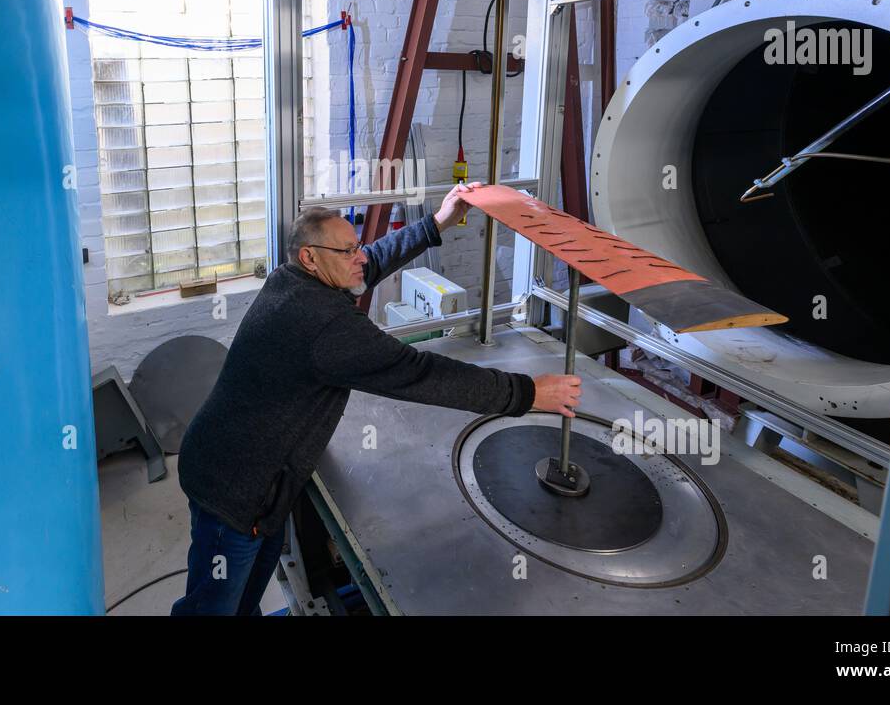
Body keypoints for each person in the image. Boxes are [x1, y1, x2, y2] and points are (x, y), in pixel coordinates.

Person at [170, 183, 582, 616]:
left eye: (357, 246)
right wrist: (528, 393)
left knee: (244, 598)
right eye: (347, 252)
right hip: (234, 491)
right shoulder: (324, 326)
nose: (360, 258)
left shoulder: (292, 279)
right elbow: (420, 373)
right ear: (311, 257)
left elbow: (372, 261)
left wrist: (436, 221)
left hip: (255, 482)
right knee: (212, 607)